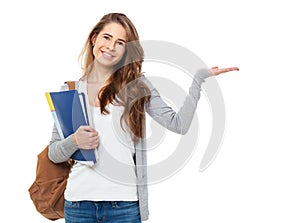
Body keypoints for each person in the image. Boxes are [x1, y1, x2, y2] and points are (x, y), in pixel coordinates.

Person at [48, 12, 239, 223]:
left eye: (120, 42)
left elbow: (180, 124)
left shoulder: (138, 87)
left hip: (124, 207)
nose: (111, 47)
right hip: (78, 205)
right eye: (106, 37)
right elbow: (54, 153)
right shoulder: (70, 90)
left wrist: (198, 81)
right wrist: (74, 141)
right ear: (94, 39)